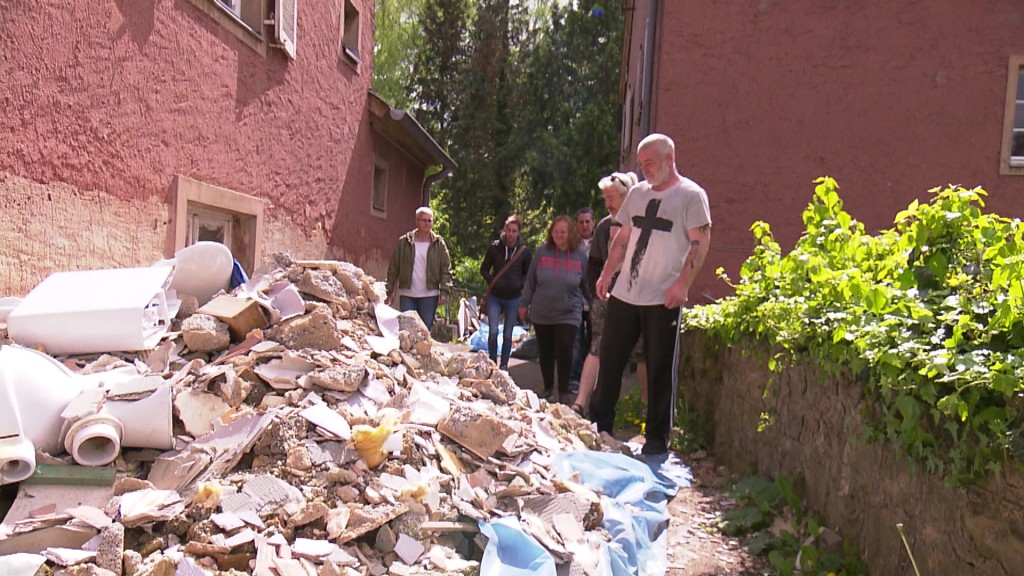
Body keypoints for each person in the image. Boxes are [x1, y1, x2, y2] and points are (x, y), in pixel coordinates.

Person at [589, 133, 712, 456]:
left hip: (663, 297)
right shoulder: (638, 195)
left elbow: (700, 242)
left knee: (659, 369)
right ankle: (599, 427)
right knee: (610, 360)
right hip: (626, 294)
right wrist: (606, 274)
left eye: (650, 163)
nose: (644, 170)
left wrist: (683, 284)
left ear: (670, 159)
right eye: (641, 164)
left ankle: (656, 441)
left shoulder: (691, 196)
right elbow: (623, 237)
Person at [572, 171, 648, 416]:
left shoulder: (645, 223)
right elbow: (594, 263)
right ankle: (581, 403)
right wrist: (598, 291)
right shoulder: (605, 225)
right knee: (597, 348)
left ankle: (647, 409)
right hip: (607, 299)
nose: (607, 204)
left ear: (628, 196)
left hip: (640, 299)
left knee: (642, 355)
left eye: (611, 198)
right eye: (605, 199)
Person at [519, 215, 590, 404]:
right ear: (551, 233)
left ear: (570, 234)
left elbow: (587, 285)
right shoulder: (542, 252)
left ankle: (564, 390)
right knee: (546, 350)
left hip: (569, 311)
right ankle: (549, 388)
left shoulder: (579, 256)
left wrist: (593, 307)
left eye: (563, 232)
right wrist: (524, 304)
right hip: (543, 312)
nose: (559, 235)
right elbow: (531, 281)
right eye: (556, 231)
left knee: (566, 348)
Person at [385, 207, 453, 332]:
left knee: (424, 331)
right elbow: (394, 268)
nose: (427, 224)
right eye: (424, 220)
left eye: (429, 221)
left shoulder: (438, 244)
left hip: (429, 294)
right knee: (406, 329)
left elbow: (445, 269)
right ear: (417, 221)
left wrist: (444, 291)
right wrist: (389, 291)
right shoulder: (404, 242)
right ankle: (406, 352)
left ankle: (421, 352)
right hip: (407, 293)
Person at [480, 215, 532, 370]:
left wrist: (519, 285)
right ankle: (491, 362)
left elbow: (528, 274)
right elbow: (483, 269)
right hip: (495, 296)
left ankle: (503, 365)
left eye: (514, 231)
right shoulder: (494, 248)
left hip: (513, 298)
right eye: (508, 230)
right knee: (494, 331)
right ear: (504, 230)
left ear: (519, 233)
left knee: (508, 334)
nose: (510, 234)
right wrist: (493, 281)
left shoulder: (524, 252)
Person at [569, 207, 596, 392]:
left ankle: (591, 380)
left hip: (595, 298)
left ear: (593, 222)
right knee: (576, 341)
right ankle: (574, 379)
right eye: (581, 222)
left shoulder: (601, 240)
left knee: (593, 340)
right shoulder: (572, 244)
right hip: (576, 299)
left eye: (588, 221)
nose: (585, 225)